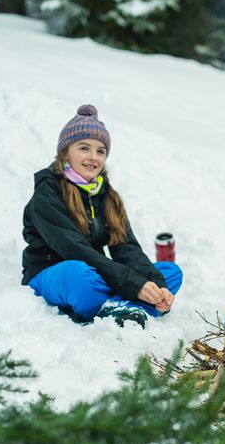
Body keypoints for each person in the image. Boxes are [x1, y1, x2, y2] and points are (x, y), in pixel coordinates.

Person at [22, 104, 182, 327]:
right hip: (55, 274)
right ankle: (133, 307)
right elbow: (74, 250)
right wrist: (134, 285)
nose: (93, 157)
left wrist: (155, 284)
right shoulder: (47, 193)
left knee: (169, 273)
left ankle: (120, 309)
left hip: (96, 271)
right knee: (79, 275)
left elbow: (127, 249)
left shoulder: (107, 196)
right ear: (65, 152)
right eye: (84, 148)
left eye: (100, 151)